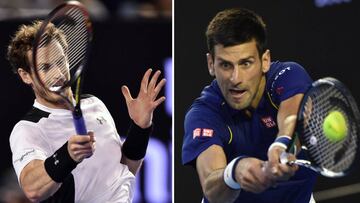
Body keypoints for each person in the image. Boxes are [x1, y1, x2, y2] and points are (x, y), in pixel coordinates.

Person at [7, 20, 166, 202]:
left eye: (61, 62)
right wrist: (68, 155)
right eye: (45, 67)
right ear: (25, 75)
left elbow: (125, 170)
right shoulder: (27, 129)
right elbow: (32, 189)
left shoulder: (95, 104)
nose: (58, 74)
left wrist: (140, 128)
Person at [182, 8, 317, 203]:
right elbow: (211, 188)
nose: (235, 78)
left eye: (245, 63)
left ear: (265, 61)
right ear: (211, 64)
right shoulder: (203, 113)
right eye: (226, 65)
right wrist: (235, 172)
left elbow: (293, 117)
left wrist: (281, 144)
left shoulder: (288, 76)